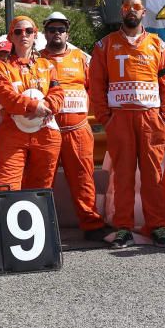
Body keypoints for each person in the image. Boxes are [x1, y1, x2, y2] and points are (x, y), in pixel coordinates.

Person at [89, 0, 165, 249]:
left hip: (151, 120)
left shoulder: (158, 45)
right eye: (126, 6)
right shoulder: (104, 46)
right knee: (123, 177)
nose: (131, 10)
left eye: (136, 7)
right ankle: (123, 228)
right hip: (120, 120)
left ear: (144, 13)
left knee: (152, 176)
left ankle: (157, 226)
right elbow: (96, 86)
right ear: (121, 11)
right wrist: (106, 118)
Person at [40, 12, 113, 241]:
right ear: (45, 34)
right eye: (52, 30)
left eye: (61, 30)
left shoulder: (81, 58)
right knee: (42, 180)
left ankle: (91, 224)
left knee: (83, 178)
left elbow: (97, 89)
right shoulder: (37, 59)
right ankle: (39, 228)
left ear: (67, 33)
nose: (57, 34)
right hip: (45, 130)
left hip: (78, 129)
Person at [0, 16, 64, 190]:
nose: (24, 35)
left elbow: (58, 94)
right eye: (18, 31)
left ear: (35, 35)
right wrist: (34, 106)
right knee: (6, 188)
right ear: (11, 37)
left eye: (29, 31)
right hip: (12, 132)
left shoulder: (47, 65)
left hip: (46, 132)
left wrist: (46, 107)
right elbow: (6, 97)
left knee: (42, 190)